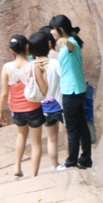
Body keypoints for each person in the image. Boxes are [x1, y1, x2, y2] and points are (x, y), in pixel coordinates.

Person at [0, 35, 48, 178]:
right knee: (36, 142)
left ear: (11, 50)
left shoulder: (6, 68)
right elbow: (43, 90)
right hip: (33, 108)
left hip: (16, 109)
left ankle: (17, 168)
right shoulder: (33, 66)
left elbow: (4, 93)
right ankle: (33, 175)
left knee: (21, 135)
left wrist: (0, 111)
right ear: (27, 47)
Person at [50, 15, 92, 169]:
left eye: (53, 29)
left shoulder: (71, 43)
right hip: (75, 89)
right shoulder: (70, 42)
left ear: (60, 30)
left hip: (72, 91)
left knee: (72, 128)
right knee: (80, 125)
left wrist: (64, 41)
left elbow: (71, 46)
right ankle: (85, 159)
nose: (51, 32)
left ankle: (71, 162)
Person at [30, 31, 63, 169]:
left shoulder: (32, 65)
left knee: (51, 138)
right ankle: (69, 161)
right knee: (67, 134)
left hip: (44, 106)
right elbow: (63, 78)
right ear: (47, 44)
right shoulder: (55, 62)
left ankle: (55, 165)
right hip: (60, 103)